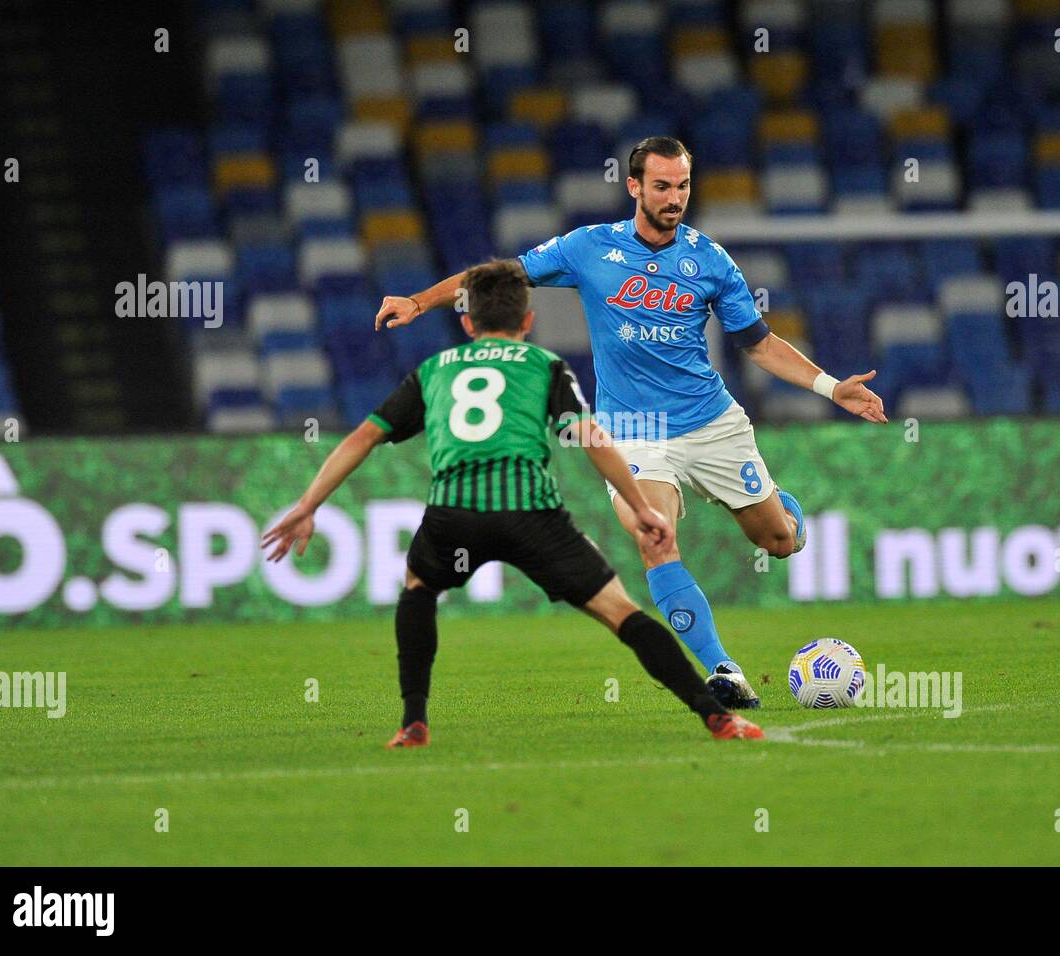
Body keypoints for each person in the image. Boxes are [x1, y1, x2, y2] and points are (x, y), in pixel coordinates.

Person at [374, 136, 887, 709]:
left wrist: (829, 385)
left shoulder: (710, 261)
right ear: (635, 187)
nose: (674, 198)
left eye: (684, 186)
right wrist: (419, 302)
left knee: (777, 541)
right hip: (633, 429)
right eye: (663, 186)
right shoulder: (588, 248)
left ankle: (782, 512)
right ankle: (723, 671)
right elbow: (498, 278)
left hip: (711, 422)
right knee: (654, 536)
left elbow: (760, 346)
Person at [263, 258, 763, 747]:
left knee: (418, 590)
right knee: (621, 613)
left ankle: (413, 721)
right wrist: (640, 505)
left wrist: (308, 505)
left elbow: (362, 438)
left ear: (466, 322)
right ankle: (715, 717)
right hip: (532, 517)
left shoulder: (436, 369)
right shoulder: (544, 365)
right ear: (527, 320)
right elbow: (589, 436)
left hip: (452, 516)